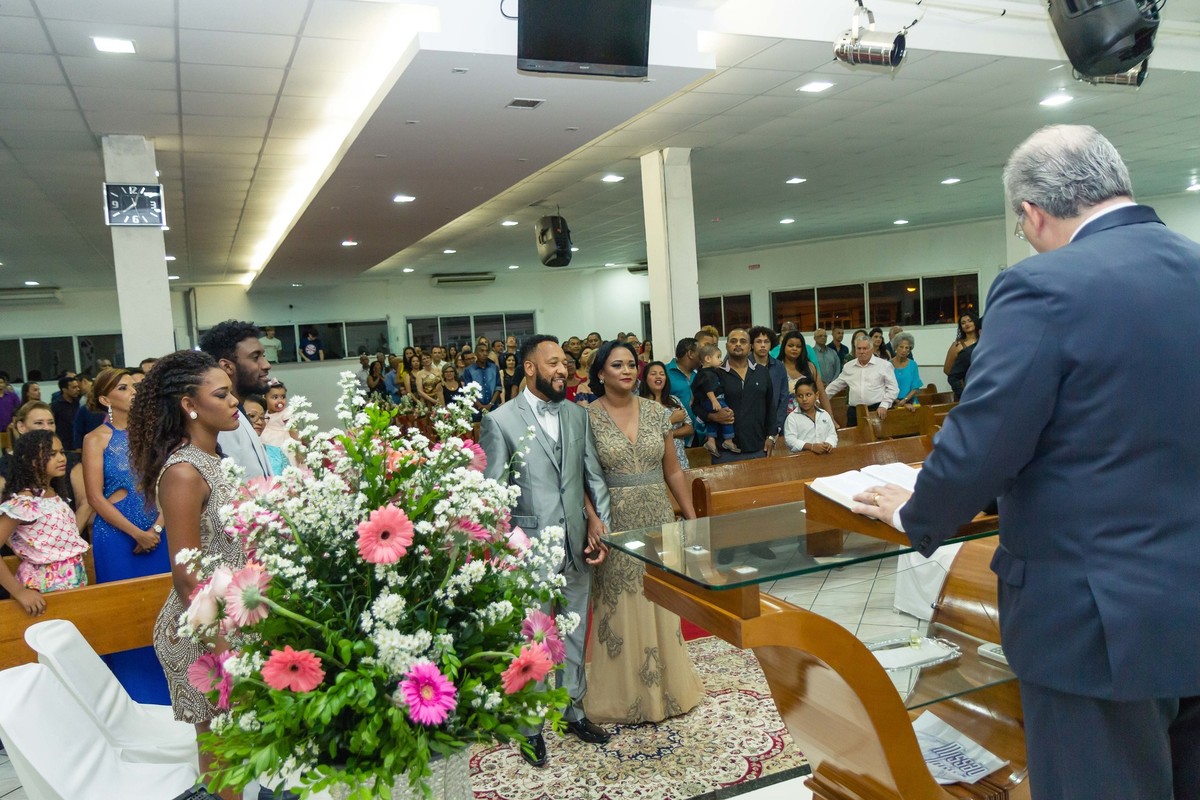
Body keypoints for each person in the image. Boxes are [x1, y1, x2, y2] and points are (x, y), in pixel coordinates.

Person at [853, 125, 1200, 800]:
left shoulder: (1042, 285)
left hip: (1091, 620)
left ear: (1033, 213)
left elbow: (986, 438)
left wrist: (917, 512)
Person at [479, 334, 613, 768]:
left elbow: (592, 476)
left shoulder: (576, 415)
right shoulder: (499, 421)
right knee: (533, 640)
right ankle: (530, 727)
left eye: (565, 363)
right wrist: (510, 548)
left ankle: (573, 710)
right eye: (553, 362)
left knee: (575, 630)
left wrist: (601, 527)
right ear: (530, 368)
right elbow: (493, 495)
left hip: (577, 543)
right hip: (528, 551)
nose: (563, 370)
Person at [129, 350, 244, 800]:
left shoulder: (215, 458)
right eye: (221, 394)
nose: (234, 401)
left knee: (241, 748)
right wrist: (223, 650)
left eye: (231, 392)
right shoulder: (183, 471)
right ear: (189, 405)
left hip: (233, 619)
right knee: (222, 753)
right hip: (201, 631)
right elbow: (186, 575)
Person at [584, 341, 704, 723]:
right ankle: (623, 697)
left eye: (630, 364)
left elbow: (673, 470)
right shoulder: (586, 418)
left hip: (657, 514)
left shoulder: (656, 412)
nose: (627, 371)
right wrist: (591, 518)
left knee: (660, 599)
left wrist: (690, 515)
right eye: (616, 365)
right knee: (621, 604)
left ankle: (667, 691)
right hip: (613, 519)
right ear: (600, 373)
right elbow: (579, 479)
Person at [82, 368, 171, 704]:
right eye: (123, 387)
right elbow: (95, 497)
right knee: (125, 616)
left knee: (167, 610)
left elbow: (169, 483)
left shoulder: (154, 433)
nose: (133, 391)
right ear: (106, 398)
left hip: (159, 530)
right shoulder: (95, 439)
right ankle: (134, 697)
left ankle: (177, 688)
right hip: (117, 537)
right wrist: (136, 532)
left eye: (135, 386)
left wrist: (157, 527)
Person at [0, 430, 88, 615]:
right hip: (43, 588)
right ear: (31, 461)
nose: (61, 458)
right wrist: (19, 591)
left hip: (72, 579)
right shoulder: (25, 502)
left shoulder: (53, 493)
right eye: (51, 454)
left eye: (62, 452)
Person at [199, 320, 273, 480]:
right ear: (227, 366)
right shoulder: (222, 422)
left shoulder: (239, 411)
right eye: (255, 357)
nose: (266, 365)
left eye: (264, 356)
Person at [710, 329, 777, 460]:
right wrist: (713, 416)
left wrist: (770, 436)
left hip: (758, 448)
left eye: (743, 341)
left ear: (750, 346)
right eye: (733, 341)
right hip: (725, 451)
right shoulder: (715, 373)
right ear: (726, 346)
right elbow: (697, 406)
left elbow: (770, 406)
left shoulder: (761, 372)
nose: (738, 344)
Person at [824, 336, 898, 427]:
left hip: (877, 410)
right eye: (859, 348)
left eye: (865, 348)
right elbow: (836, 386)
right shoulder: (848, 366)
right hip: (854, 412)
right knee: (852, 435)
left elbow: (893, 388)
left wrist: (884, 405)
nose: (861, 351)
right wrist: (820, 399)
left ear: (871, 349)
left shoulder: (884, 365)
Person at [639, 360, 692, 471]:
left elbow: (689, 428)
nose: (658, 377)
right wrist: (671, 420)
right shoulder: (639, 404)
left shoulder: (674, 400)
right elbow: (645, 435)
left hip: (680, 461)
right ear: (645, 378)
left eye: (662, 374)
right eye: (653, 374)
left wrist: (669, 434)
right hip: (655, 466)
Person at [691, 344, 737, 457]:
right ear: (708, 359)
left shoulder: (701, 373)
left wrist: (692, 399)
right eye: (718, 357)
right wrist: (714, 401)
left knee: (713, 420)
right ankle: (728, 440)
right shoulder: (708, 374)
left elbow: (694, 388)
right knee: (727, 414)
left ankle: (711, 441)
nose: (720, 360)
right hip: (715, 399)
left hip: (705, 402)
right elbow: (709, 388)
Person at [749, 325, 790, 445]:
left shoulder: (779, 366)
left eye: (766, 342)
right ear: (752, 345)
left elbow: (783, 398)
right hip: (750, 425)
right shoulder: (744, 365)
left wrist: (776, 427)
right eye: (758, 341)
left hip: (774, 424)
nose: (763, 345)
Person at [778, 330, 832, 418]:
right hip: (783, 418)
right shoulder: (776, 367)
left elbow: (822, 393)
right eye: (790, 345)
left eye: (798, 346)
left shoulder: (810, 367)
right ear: (784, 346)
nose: (794, 349)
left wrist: (831, 418)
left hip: (809, 417)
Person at [783, 377, 837, 454]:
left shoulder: (824, 414)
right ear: (796, 397)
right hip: (801, 458)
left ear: (816, 395)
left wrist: (829, 444)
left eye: (808, 395)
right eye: (800, 396)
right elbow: (790, 440)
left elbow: (832, 435)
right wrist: (810, 446)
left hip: (825, 455)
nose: (804, 399)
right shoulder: (792, 418)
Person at [666, 337, 701, 446]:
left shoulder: (701, 374)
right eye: (700, 352)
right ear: (690, 354)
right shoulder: (664, 372)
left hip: (700, 437)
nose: (703, 356)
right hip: (675, 440)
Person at [243, 394, 287, 475]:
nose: (260, 422)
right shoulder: (230, 453)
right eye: (252, 416)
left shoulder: (277, 453)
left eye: (262, 418)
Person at [943, 312, 981, 401]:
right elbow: (947, 370)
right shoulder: (957, 345)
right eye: (963, 323)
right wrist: (961, 383)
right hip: (965, 390)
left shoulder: (984, 341)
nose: (967, 324)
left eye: (970, 321)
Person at [461, 343, 501, 417]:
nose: (485, 353)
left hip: (493, 407)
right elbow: (468, 391)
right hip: (475, 409)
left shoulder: (494, 368)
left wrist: (490, 404)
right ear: (475, 353)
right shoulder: (469, 370)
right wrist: (480, 406)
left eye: (486, 351)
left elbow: (498, 388)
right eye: (482, 351)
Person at [890, 332, 922, 409]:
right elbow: (885, 387)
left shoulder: (913, 365)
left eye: (907, 348)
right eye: (901, 347)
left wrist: (904, 400)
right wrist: (897, 402)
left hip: (910, 401)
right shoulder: (888, 365)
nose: (904, 350)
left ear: (909, 350)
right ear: (896, 348)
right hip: (892, 402)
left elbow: (915, 387)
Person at [50, 374, 81, 449]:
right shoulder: (55, 406)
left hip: (78, 443)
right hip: (64, 445)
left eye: (78, 387)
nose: (78, 389)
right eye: (74, 387)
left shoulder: (79, 403)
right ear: (64, 389)